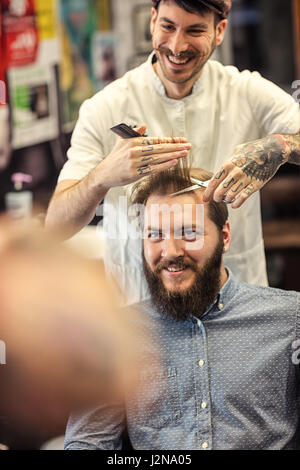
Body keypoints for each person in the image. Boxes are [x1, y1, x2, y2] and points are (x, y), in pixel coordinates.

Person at [45, 0, 300, 304]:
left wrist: (280, 146)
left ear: (219, 31)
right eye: (168, 26)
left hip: (236, 308)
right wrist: (101, 177)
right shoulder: (104, 108)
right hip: (140, 316)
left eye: (194, 30)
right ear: (152, 21)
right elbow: (55, 228)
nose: (177, 46)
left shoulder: (246, 93)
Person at [64, 167, 300, 451]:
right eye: (154, 235)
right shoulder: (117, 334)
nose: (171, 251)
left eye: (189, 233)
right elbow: (87, 443)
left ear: (224, 236)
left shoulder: (290, 319)